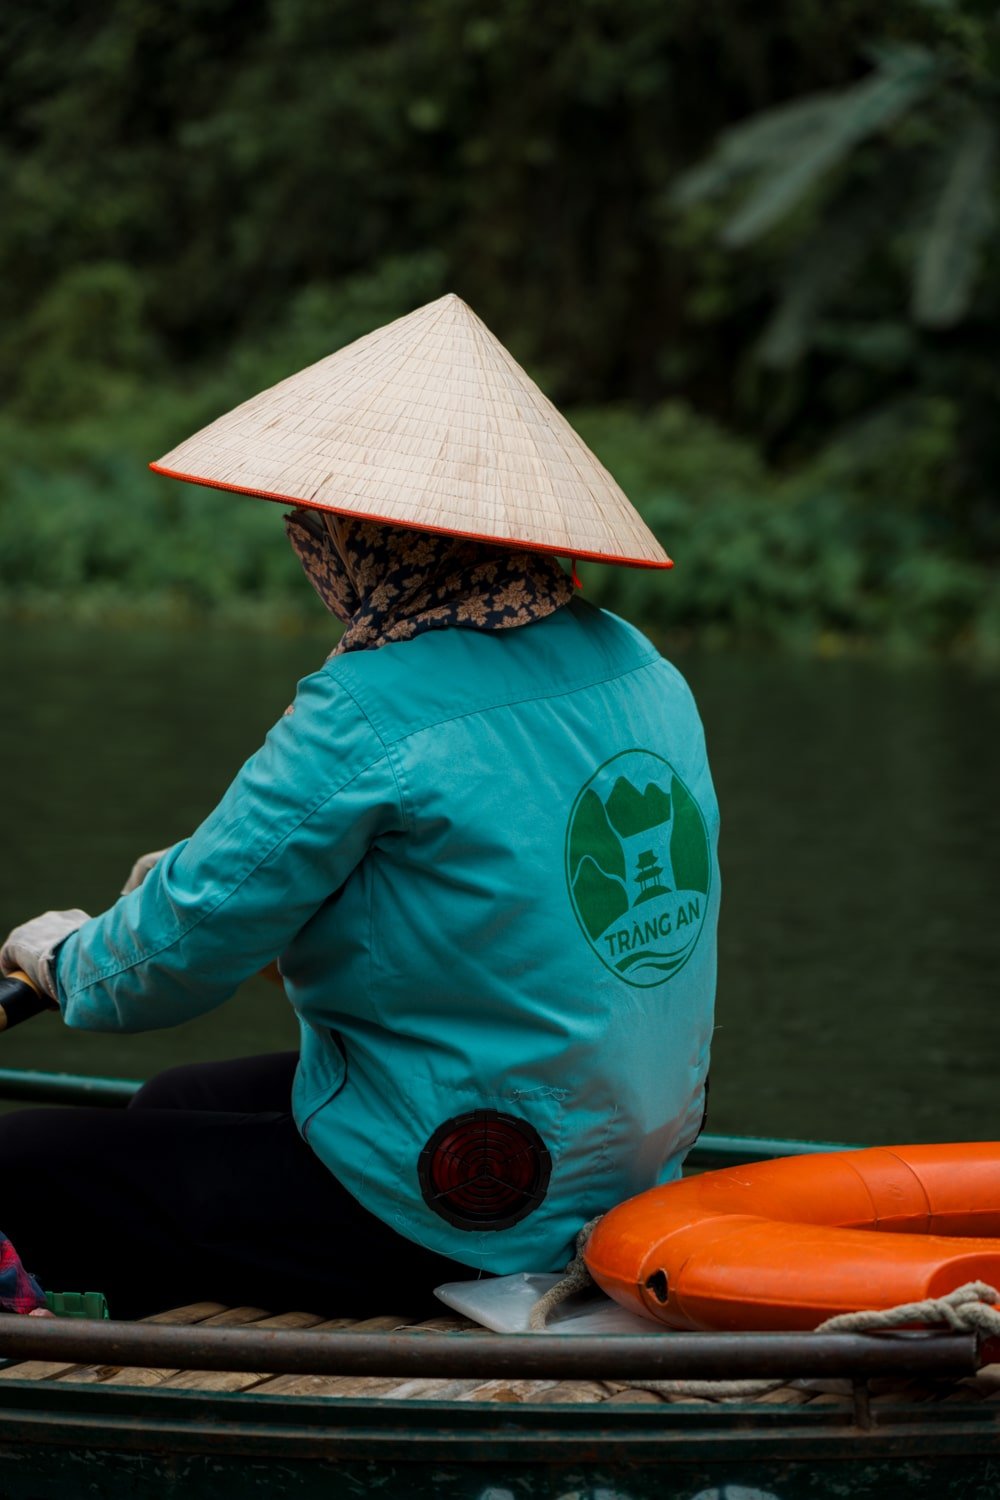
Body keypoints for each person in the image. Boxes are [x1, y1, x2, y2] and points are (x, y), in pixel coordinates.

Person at [0, 295, 719, 1320]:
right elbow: (476, 880)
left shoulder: (369, 709)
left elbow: (161, 968)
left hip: (456, 1200)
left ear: (361, 539)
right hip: (622, 1160)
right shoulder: (646, 672)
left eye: (319, 529)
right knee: (174, 1105)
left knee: (20, 1167)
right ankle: (190, 1354)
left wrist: (62, 958)